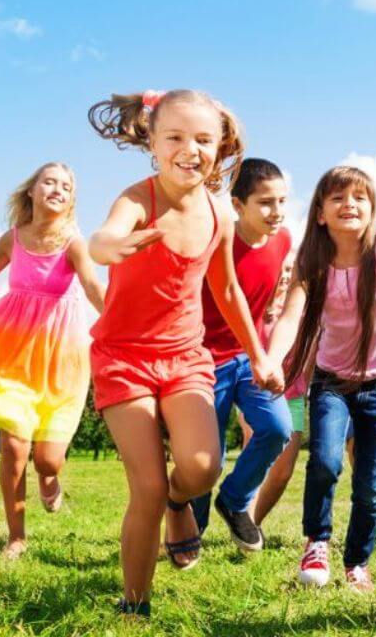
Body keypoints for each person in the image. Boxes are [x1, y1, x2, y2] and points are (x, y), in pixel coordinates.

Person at [87, 89, 280, 617]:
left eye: (203, 139)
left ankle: (181, 503)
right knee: (146, 485)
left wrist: (259, 355)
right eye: (174, 137)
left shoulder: (219, 216)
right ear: (152, 141)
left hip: (185, 359)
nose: (188, 149)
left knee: (200, 468)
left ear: (221, 148)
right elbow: (104, 238)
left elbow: (227, 292)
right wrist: (107, 246)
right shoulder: (138, 200)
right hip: (124, 358)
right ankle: (135, 604)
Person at [267, 166, 376, 593]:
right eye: (337, 198)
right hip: (331, 383)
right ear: (319, 213)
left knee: (370, 483)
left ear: (372, 209)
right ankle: (317, 541)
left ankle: (357, 563)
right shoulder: (312, 261)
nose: (349, 204)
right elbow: (292, 316)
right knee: (327, 461)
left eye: (359, 197)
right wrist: (274, 360)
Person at [0, 162, 105, 559]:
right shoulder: (13, 239)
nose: (58, 188)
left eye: (66, 185)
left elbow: (93, 287)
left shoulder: (75, 243)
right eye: (50, 182)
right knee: (15, 448)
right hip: (11, 352)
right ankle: (16, 537)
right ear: (32, 192)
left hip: (62, 359)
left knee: (46, 458)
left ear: (72, 199)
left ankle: (51, 476)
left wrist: (119, 323)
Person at [189, 158, 293, 552]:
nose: (277, 211)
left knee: (277, 428)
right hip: (204, 361)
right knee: (205, 456)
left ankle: (233, 501)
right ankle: (191, 532)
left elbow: (262, 298)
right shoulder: (218, 241)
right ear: (237, 205)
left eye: (282, 201)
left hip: (247, 358)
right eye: (266, 202)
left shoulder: (283, 241)